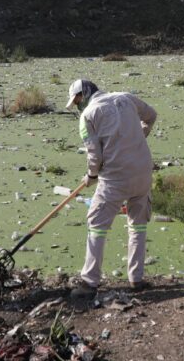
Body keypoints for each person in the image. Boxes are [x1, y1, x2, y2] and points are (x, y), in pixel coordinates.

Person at [66, 79, 157, 299]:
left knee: (96, 223)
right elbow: (151, 115)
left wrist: (91, 175)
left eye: (77, 100)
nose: (77, 104)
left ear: (85, 93)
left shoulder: (87, 116)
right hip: (143, 171)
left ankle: (90, 281)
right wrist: (138, 137)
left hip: (116, 178)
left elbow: (94, 155)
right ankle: (136, 279)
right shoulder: (126, 98)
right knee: (138, 225)